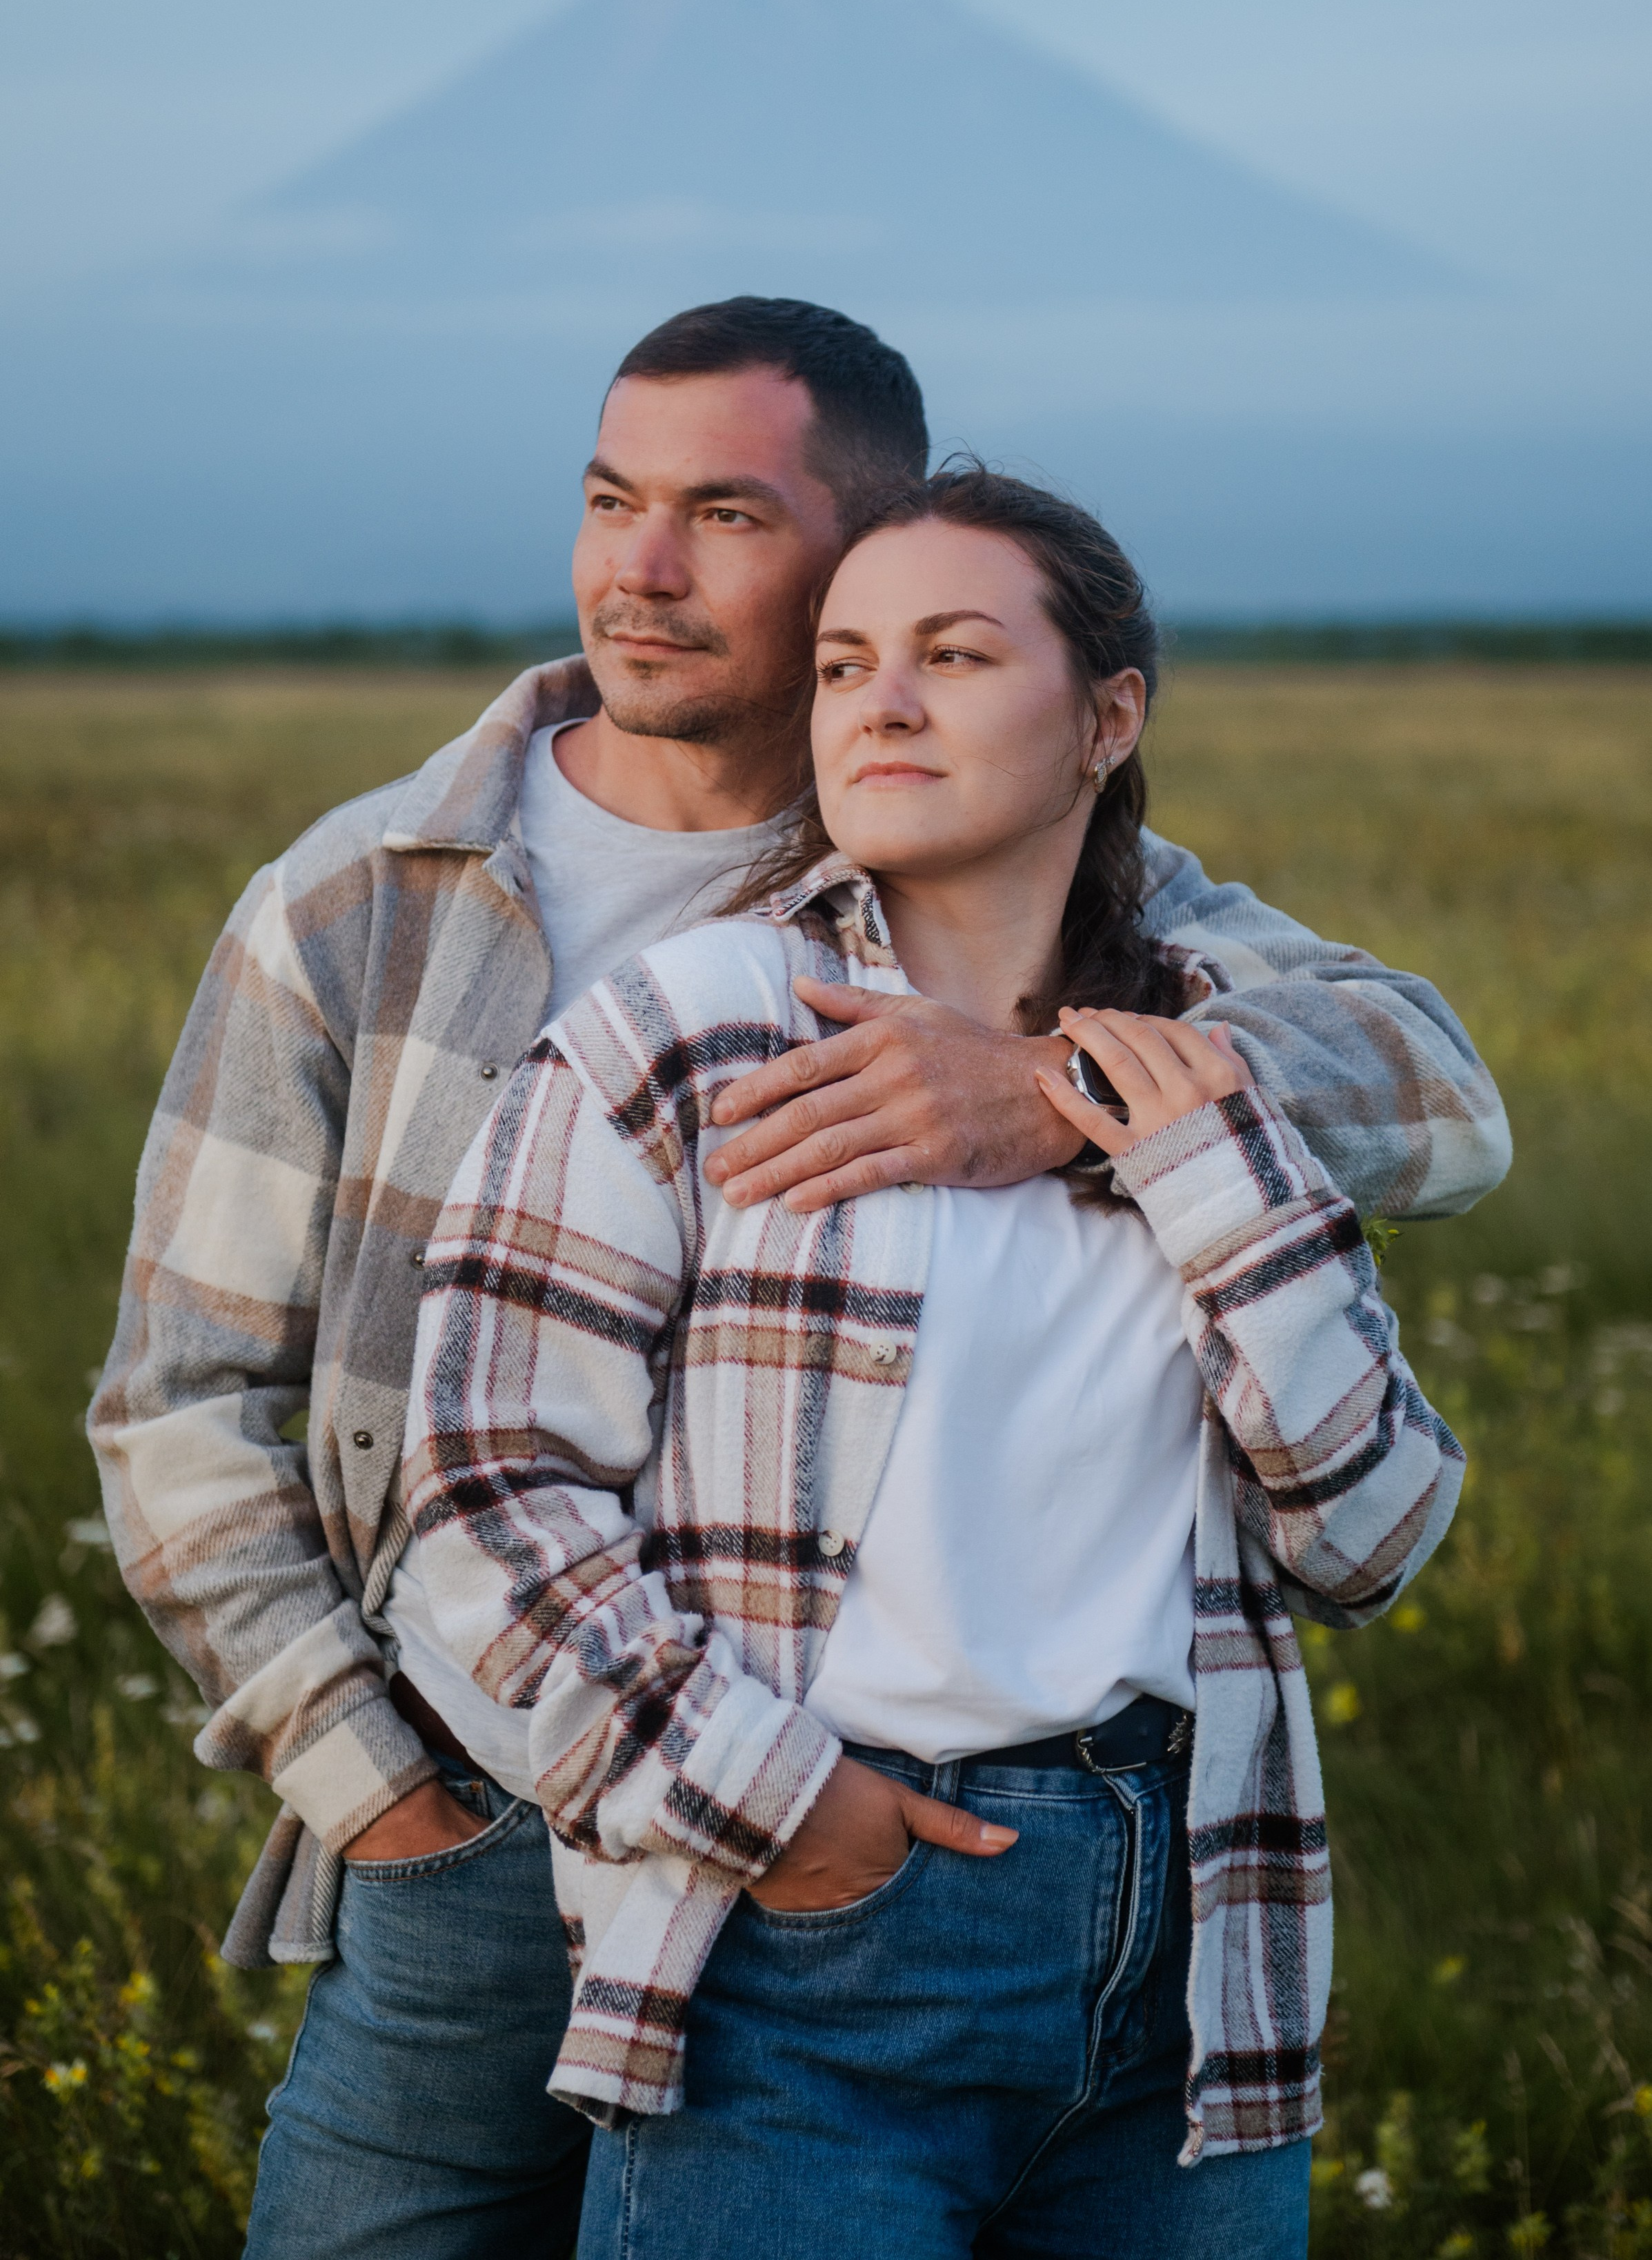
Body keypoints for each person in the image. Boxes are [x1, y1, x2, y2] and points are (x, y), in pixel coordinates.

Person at [88, 299, 1505, 2260]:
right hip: (485, 1802)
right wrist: (392, 1801)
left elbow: (1436, 1095)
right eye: (609, 501)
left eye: (724, 517)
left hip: (949, 1857)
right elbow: (184, 1407)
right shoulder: (368, 902)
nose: (638, 569)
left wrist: (1050, 1092)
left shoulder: (1030, 884)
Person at [404, 467, 1465, 2260]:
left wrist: (1158, 1145)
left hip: (1192, 1939)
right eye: (841, 662)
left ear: (1105, 718)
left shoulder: (1204, 1063)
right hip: (809, 1941)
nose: (878, 703)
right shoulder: (693, 1029)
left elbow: (1369, 1540)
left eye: (953, 656)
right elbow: (481, 1491)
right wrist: (777, 1805)